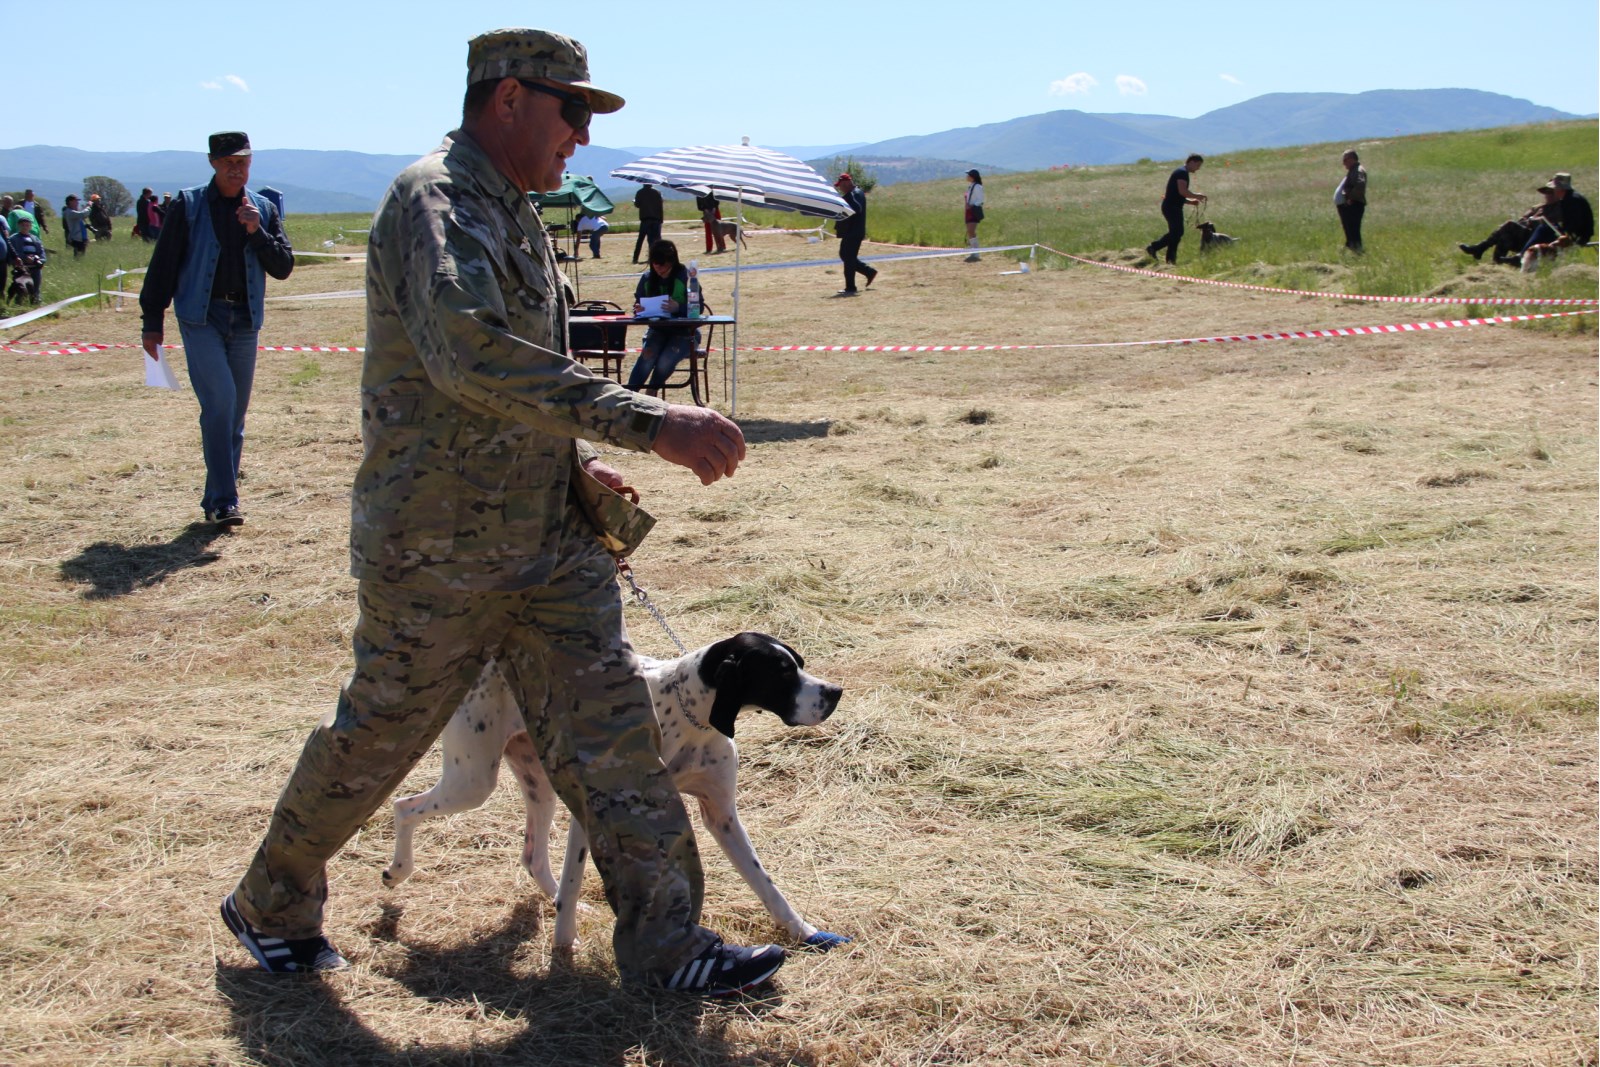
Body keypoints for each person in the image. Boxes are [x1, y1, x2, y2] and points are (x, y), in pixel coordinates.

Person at [218, 27, 783, 999]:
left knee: (611, 726)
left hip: (547, 548)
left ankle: (667, 940)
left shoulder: (514, 209)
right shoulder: (433, 203)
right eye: (573, 110)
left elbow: (520, 382)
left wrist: (576, 461)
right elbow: (472, 356)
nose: (582, 135)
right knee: (380, 733)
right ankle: (272, 900)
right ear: (509, 98)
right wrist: (650, 420)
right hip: (438, 552)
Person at [138, 131, 295, 527]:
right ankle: (226, 500)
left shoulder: (263, 209)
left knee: (234, 415)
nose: (235, 169)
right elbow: (164, 264)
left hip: (245, 321)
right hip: (201, 318)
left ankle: (216, 500)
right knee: (221, 402)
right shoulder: (188, 205)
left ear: (250, 162)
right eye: (228, 162)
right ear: (212, 162)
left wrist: (257, 232)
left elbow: (283, 267)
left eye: (242, 162)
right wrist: (152, 322)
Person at [627, 238, 698, 395]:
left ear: (672, 261)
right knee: (647, 358)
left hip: (686, 333)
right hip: (657, 331)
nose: (659, 269)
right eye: (655, 265)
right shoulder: (647, 278)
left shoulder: (687, 277)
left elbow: (698, 307)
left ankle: (651, 391)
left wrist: (678, 308)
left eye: (663, 266)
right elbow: (638, 303)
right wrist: (639, 309)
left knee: (665, 360)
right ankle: (628, 396)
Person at [1458, 178, 1574, 265]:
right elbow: (1522, 219)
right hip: (1523, 237)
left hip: (1539, 241)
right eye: (1546, 192)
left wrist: (1533, 221)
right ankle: (1496, 264)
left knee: (1509, 225)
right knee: (1505, 235)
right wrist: (1527, 221)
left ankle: (1481, 248)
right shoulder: (1538, 207)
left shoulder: (1562, 209)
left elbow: (1552, 226)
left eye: (1551, 192)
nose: (1547, 195)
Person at [1145, 154, 1205, 265]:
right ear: (1191, 162)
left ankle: (1171, 261)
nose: (1198, 168)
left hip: (1172, 206)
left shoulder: (1182, 172)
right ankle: (1153, 247)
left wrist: (1191, 201)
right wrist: (1197, 196)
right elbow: (1182, 191)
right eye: (1198, 165)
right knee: (1177, 232)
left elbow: (1177, 195)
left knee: (1176, 234)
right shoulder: (1182, 173)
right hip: (1171, 207)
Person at [833, 172, 876, 296]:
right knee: (845, 256)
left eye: (841, 186)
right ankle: (869, 272)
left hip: (853, 232)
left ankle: (851, 287)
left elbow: (857, 209)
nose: (840, 188)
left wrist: (843, 207)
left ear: (847, 183)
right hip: (853, 232)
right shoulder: (857, 192)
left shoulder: (854, 194)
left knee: (848, 259)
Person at [7, 216, 45, 304]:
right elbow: (12, 253)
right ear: (18, 226)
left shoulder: (35, 239)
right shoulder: (13, 239)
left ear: (30, 226)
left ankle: (36, 302)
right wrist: (24, 258)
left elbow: (41, 252)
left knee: (36, 286)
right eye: (23, 225)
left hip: (35, 267)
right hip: (22, 269)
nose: (25, 227)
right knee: (21, 287)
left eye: (27, 225)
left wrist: (40, 260)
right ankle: (19, 304)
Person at [1335, 150, 1367, 253]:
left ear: (1352, 159)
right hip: (1349, 205)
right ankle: (1352, 249)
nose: (1343, 163)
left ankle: (1357, 250)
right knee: (1349, 230)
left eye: (1345, 160)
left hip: (1354, 204)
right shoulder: (1353, 170)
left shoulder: (1358, 170)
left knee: (1353, 229)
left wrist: (1351, 198)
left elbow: (1360, 186)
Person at [632, 181, 663, 263]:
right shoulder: (657, 192)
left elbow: (637, 204)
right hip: (656, 219)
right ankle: (653, 257)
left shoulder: (640, 192)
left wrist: (634, 202)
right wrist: (661, 220)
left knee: (640, 240)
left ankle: (635, 258)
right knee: (654, 240)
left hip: (645, 219)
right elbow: (660, 206)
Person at [963, 169, 985, 262]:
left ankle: (976, 252)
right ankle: (973, 251)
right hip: (969, 211)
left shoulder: (977, 187)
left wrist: (971, 206)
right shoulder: (971, 186)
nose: (967, 177)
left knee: (971, 231)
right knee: (969, 231)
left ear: (972, 177)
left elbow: (980, 200)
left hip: (974, 210)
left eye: (968, 175)